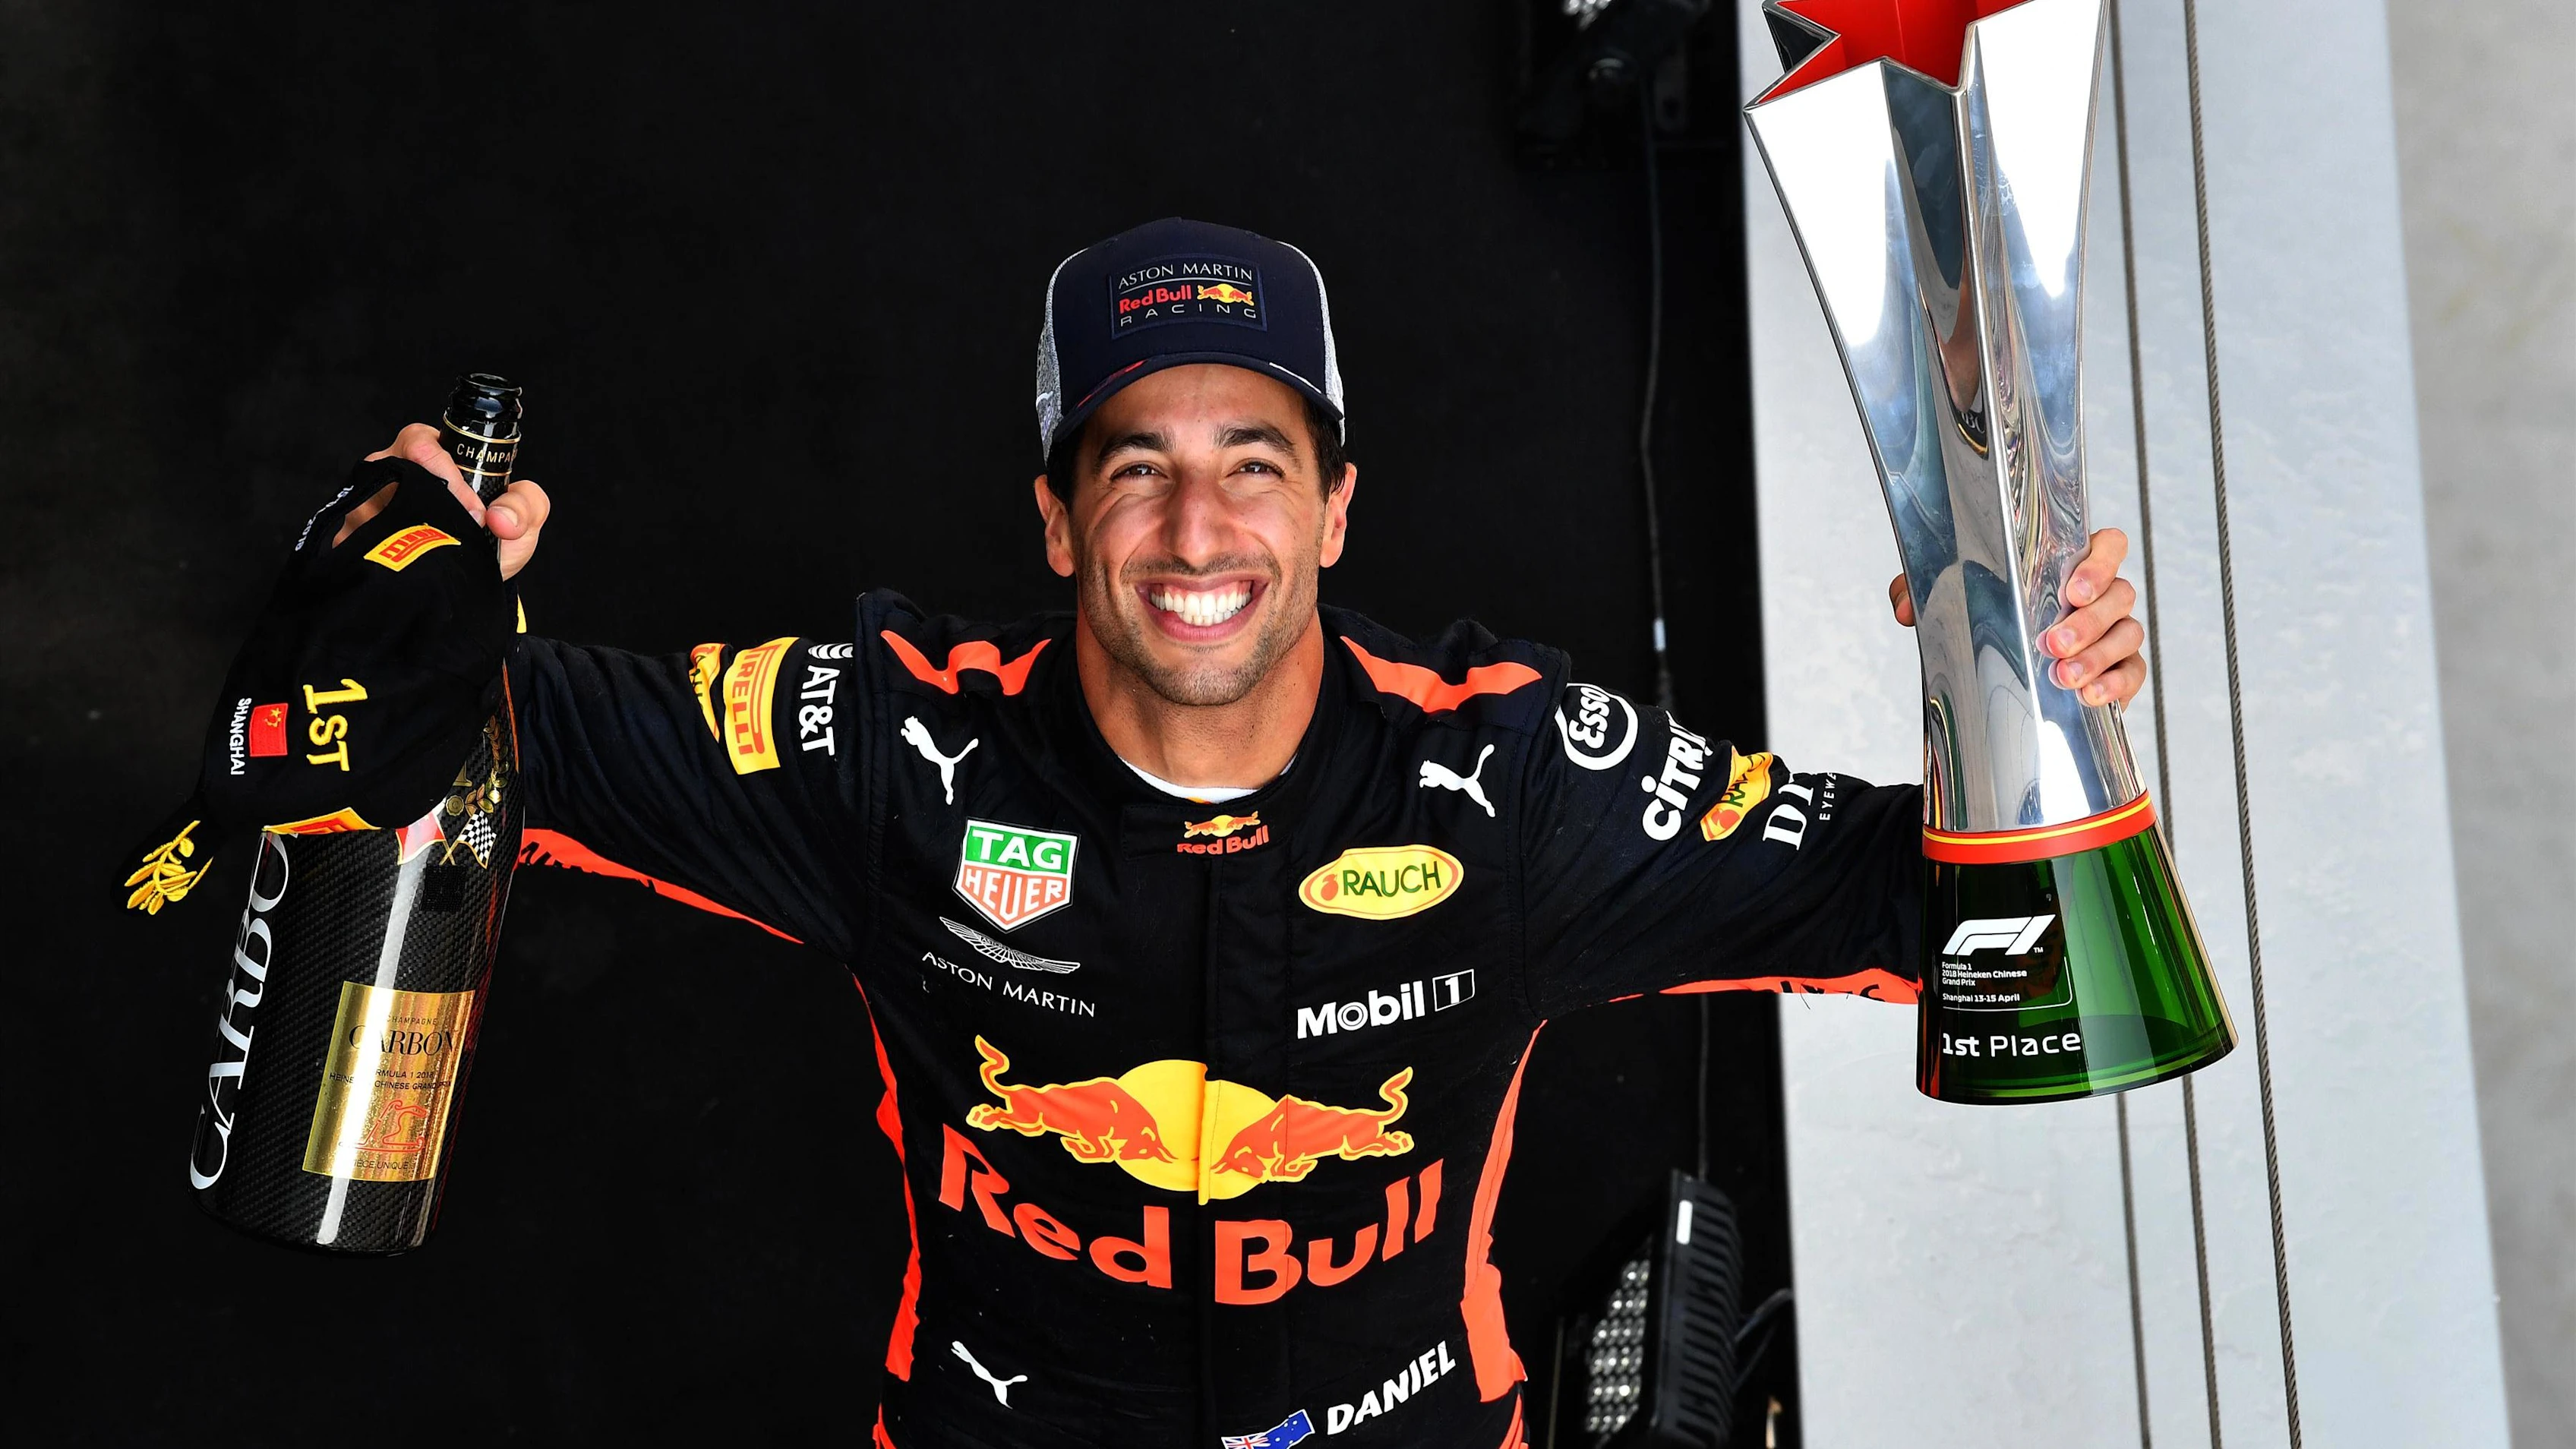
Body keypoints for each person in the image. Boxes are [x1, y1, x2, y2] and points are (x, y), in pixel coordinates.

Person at [182, 218, 2148, 1448]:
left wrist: (2026, 689)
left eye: (1252, 467)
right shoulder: (883, 745)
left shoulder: (1525, 775)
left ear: (1340, 506)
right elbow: (429, 744)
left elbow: (2000, 942)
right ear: (1053, 520)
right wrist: (404, 581)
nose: (1196, 536)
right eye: (1136, 471)